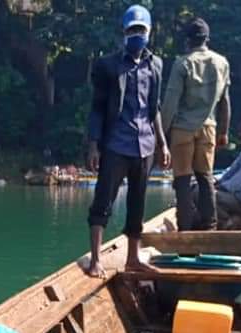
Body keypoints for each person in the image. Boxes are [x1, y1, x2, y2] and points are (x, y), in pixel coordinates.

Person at [85, 4, 171, 278]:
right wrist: (93, 144)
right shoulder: (107, 66)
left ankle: (133, 258)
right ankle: (95, 260)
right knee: (103, 201)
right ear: (124, 32)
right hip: (116, 144)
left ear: (149, 31)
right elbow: (97, 108)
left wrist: (163, 144)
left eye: (141, 30)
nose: (137, 35)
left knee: (137, 204)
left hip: (144, 145)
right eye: (132, 30)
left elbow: (154, 108)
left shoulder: (156, 65)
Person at [161, 17, 231, 231]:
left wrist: (161, 137)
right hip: (209, 128)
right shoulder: (222, 63)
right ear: (206, 39)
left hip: (183, 129)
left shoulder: (182, 63)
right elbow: (225, 101)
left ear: (188, 41)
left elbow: (170, 103)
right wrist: (224, 132)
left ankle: (185, 226)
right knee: (205, 177)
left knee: (182, 179)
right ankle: (210, 225)